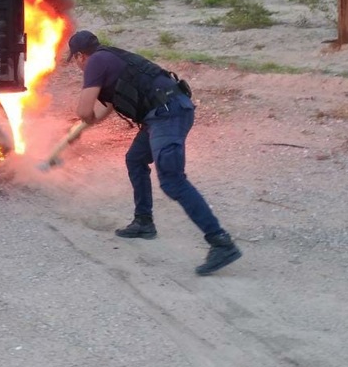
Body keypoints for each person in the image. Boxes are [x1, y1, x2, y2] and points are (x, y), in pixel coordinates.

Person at [66, 30, 242, 276]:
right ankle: (143, 222)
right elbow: (106, 108)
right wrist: (87, 123)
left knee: (172, 180)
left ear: (79, 56)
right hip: (166, 112)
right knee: (135, 159)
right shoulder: (109, 57)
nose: (77, 65)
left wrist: (85, 119)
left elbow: (84, 110)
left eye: (75, 60)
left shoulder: (95, 62)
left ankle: (221, 242)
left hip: (167, 115)